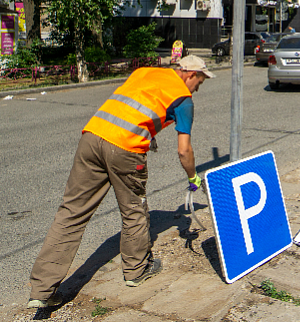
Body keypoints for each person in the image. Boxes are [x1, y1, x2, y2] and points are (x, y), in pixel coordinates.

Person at [27, 55, 215, 309]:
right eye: (199, 83)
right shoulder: (184, 99)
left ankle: (41, 290)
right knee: (134, 210)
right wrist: (193, 177)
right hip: (125, 149)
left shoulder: (148, 71)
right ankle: (137, 271)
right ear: (190, 74)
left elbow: (135, 104)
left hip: (92, 136)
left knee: (71, 212)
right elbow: (184, 151)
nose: (197, 89)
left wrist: (147, 131)